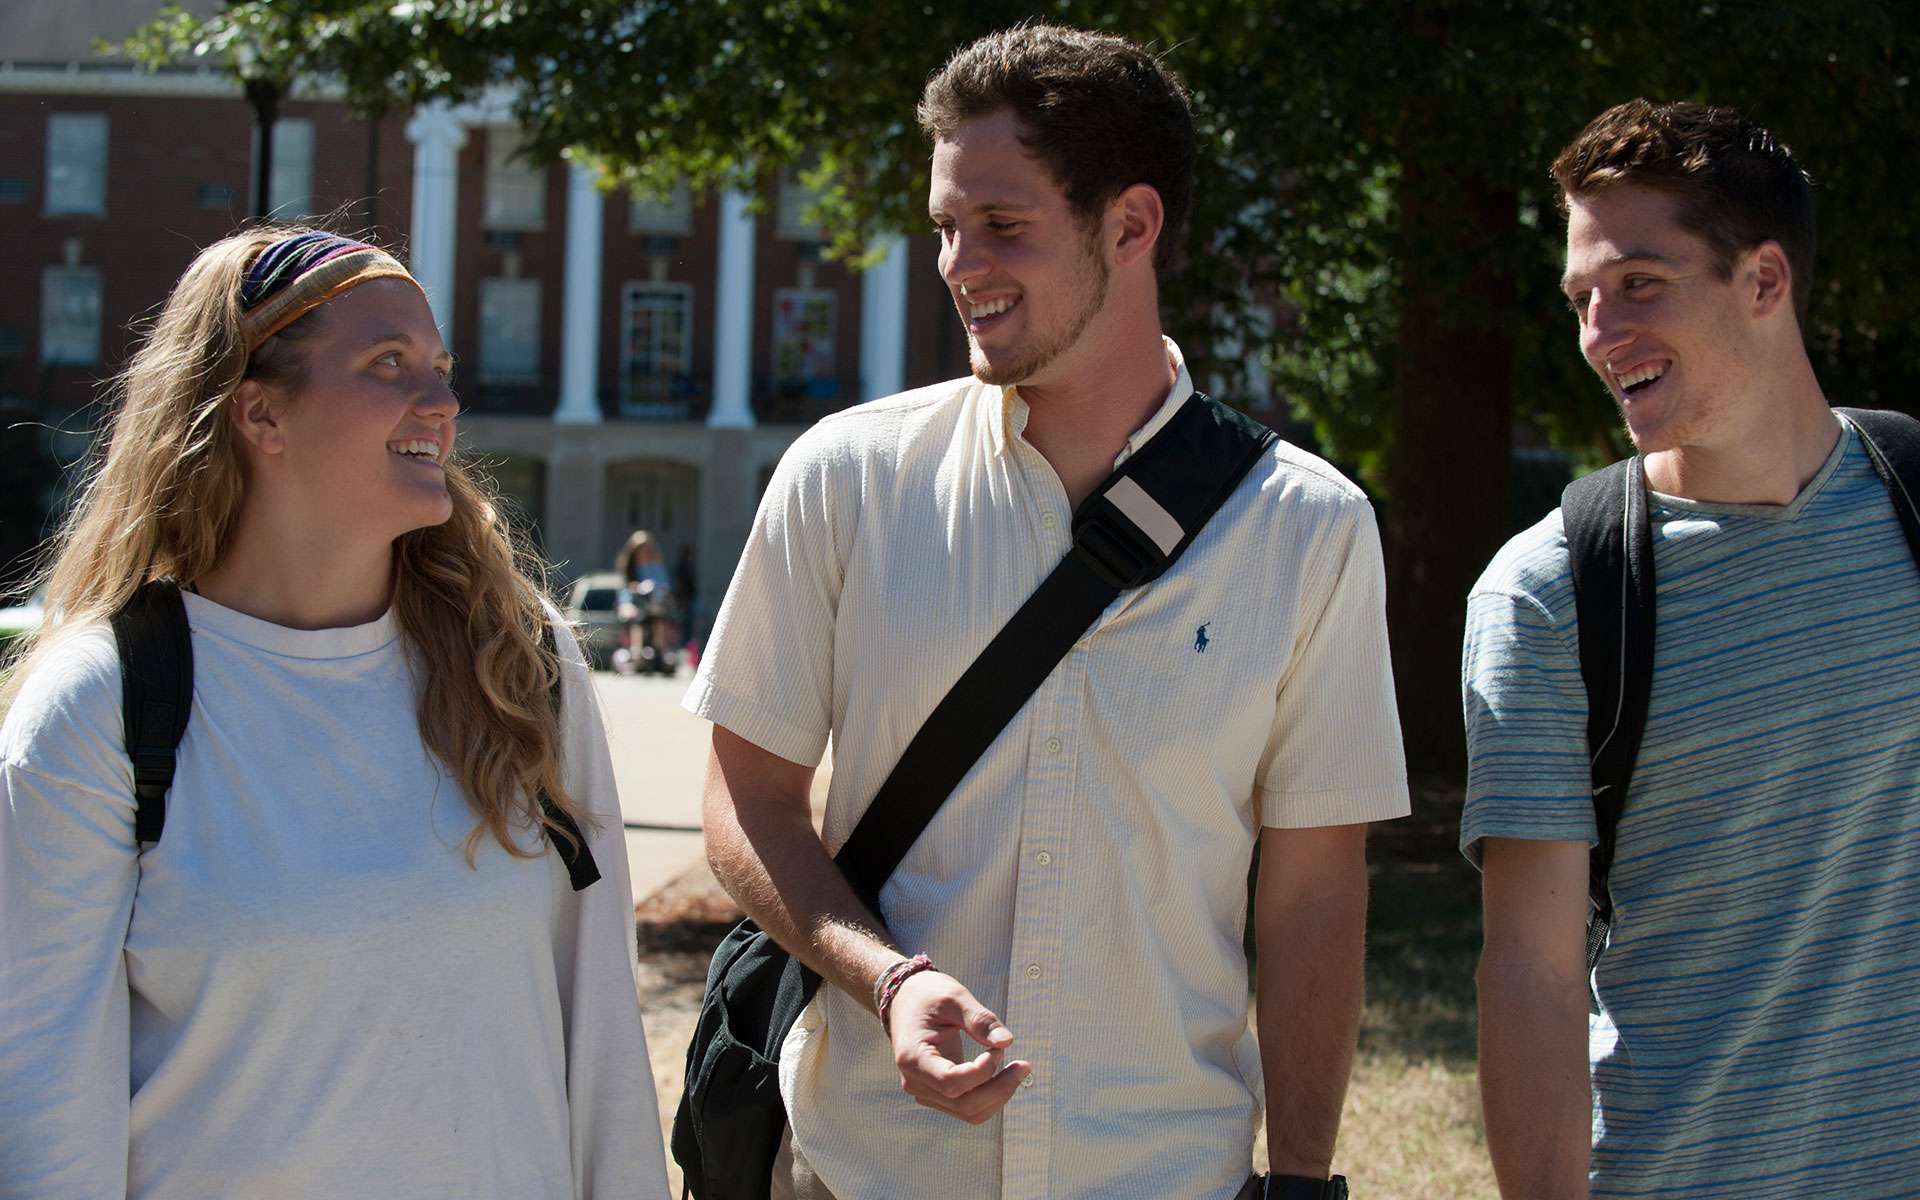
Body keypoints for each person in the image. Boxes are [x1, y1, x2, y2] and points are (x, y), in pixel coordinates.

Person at [685, 25, 1408, 1200]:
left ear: (1131, 225)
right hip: (867, 1170)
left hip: (1165, 1176)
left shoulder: (1307, 530)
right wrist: (884, 978)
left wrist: (1305, 1179)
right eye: (945, 226)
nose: (958, 263)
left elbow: (1315, 895)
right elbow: (744, 799)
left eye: (1002, 225)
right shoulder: (846, 479)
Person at [0, 227, 672, 1199]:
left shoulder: (520, 664)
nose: (440, 402)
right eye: (388, 363)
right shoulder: (102, 705)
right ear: (260, 412)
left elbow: (601, 1031)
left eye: (440, 367)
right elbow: (45, 1110)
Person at [1462, 100, 1920, 1197]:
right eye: (1583, 299)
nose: (1598, 334)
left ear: (1764, 282)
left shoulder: (1913, 506)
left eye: (1639, 285)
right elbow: (1530, 976)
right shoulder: (1551, 594)